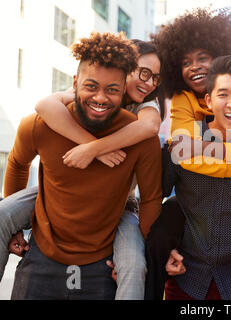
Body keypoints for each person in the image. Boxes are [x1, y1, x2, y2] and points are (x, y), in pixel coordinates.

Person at [0, 39, 163, 300]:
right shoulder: (45, 121)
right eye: (91, 87)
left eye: (112, 89)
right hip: (47, 220)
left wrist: (139, 252)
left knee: (134, 265)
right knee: (2, 215)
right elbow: (19, 160)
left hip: (112, 225)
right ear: (75, 83)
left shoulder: (143, 127)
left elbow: (152, 198)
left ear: (122, 90)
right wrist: (16, 231)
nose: (100, 97)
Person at [145, 7, 231, 300]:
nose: (195, 67)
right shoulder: (182, 107)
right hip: (186, 277)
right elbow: (172, 168)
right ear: (209, 97)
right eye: (186, 62)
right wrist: (162, 249)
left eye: (203, 58)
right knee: (164, 218)